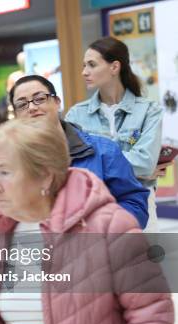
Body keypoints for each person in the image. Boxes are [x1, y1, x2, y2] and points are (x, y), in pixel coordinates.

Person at [0, 117, 174, 324]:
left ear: (44, 175)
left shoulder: (109, 226)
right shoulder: (0, 232)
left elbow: (153, 319)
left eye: (5, 173)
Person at [10, 74, 149, 228]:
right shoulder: (12, 163)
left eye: (40, 99)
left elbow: (135, 204)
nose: (32, 107)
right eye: (22, 104)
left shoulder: (103, 151)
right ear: (16, 115)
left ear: (57, 103)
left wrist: (98, 228)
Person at [65, 36, 163, 232]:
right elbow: (72, 166)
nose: (84, 72)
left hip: (140, 203)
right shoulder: (76, 114)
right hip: (92, 206)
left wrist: (96, 166)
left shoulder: (149, 111)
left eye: (92, 65)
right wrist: (133, 169)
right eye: (84, 65)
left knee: (144, 261)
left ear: (114, 67)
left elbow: (145, 162)